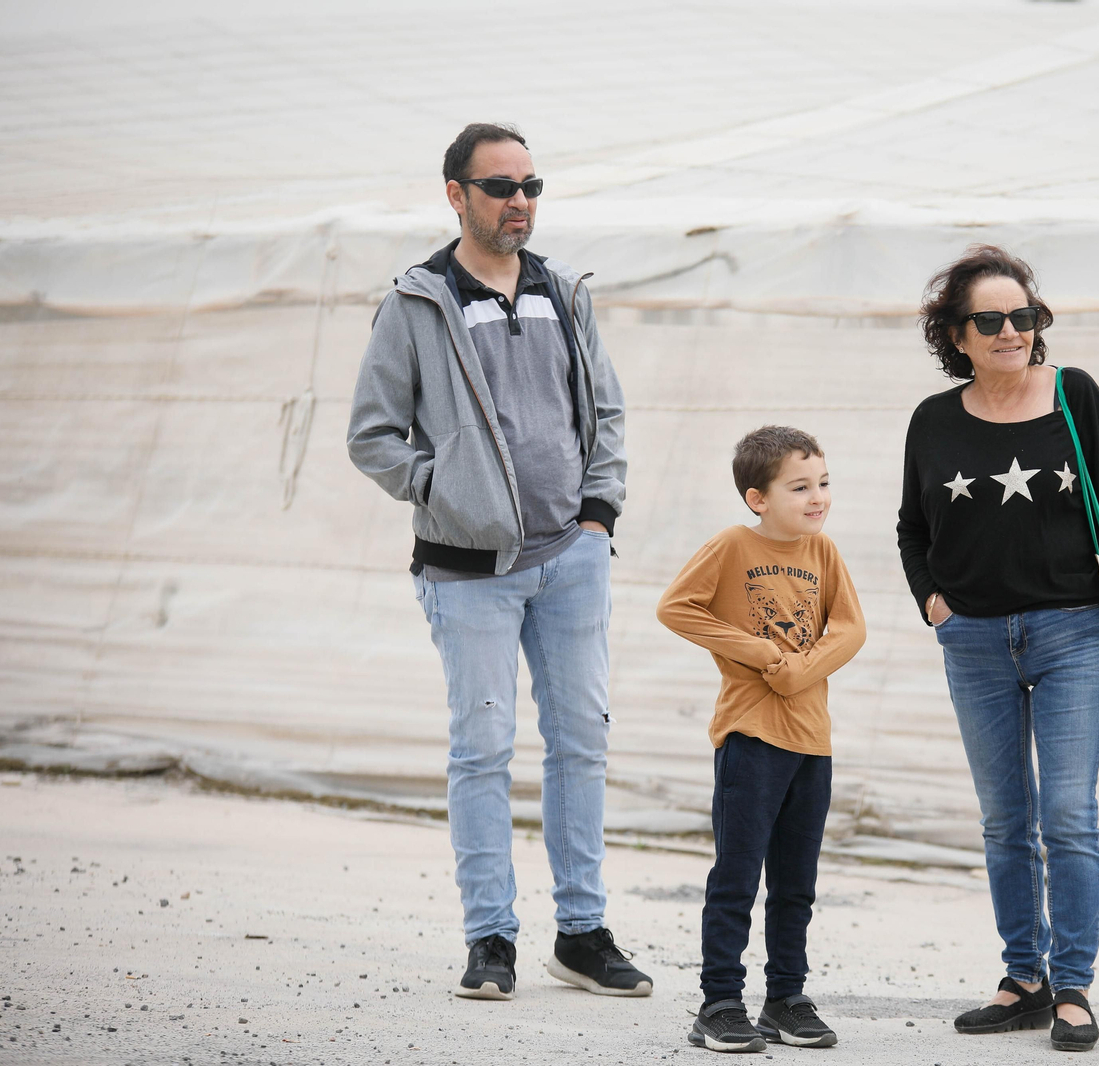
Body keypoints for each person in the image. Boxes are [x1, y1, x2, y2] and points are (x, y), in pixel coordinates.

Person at [347, 122, 651, 1001]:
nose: (520, 201)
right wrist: (445, 488)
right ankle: (491, 939)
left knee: (580, 746)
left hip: (573, 557)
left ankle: (583, 932)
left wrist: (599, 514)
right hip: (466, 569)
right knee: (483, 750)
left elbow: (607, 411)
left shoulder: (563, 290)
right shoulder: (416, 303)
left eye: (531, 185)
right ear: (456, 196)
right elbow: (372, 435)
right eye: (500, 187)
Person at [896, 245, 1099, 1052]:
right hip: (972, 641)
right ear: (956, 333)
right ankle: (1025, 979)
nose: (1012, 331)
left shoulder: (1075, 394)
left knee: (1067, 815)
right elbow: (911, 528)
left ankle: (1073, 985)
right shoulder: (933, 420)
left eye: (1025, 316)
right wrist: (932, 602)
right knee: (1006, 818)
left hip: (1072, 632)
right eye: (992, 320)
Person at [656, 426, 867, 1053]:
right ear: (758, 498)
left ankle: (785, 998)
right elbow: (677, 608)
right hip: (750, 737)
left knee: (796, 880)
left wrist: (801, 668)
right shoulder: (731, 546)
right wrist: (755, 651)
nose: (817, 497)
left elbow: (851, 629)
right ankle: (719, 1002)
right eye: (799, 487)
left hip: (812, 742)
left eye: (823, 483)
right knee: (738, 874)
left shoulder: (823, 552)